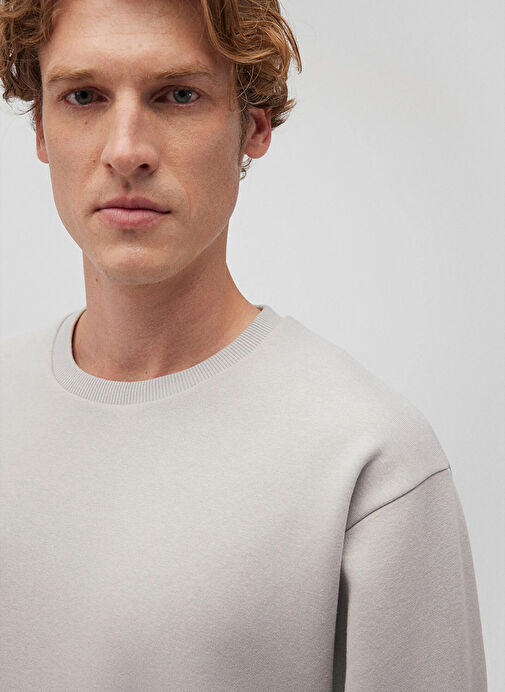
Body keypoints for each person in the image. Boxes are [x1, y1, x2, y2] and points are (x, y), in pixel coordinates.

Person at [0, 0, 488, 690]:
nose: (125, 150)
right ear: (41, 129)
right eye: (84, 96)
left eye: (177, 95)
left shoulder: (368, 461)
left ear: (253, 126)